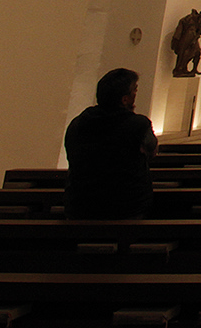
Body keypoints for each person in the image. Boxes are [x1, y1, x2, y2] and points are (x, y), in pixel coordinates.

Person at [64, 67, 157, 219]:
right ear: (124, 99)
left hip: (80, 206)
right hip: (127, 208)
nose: (136, 94)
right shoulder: (138, 124)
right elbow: (151, 151)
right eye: (134, 90)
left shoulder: (78, 122)